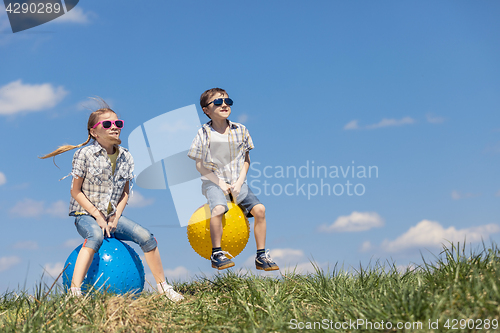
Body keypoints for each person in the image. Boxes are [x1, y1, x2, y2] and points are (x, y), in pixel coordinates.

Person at [40, 100, 183, 301]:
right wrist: (98, 216)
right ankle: (74, 292)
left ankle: (163, 287)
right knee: (96, 236)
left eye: (118, 123)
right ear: (94, 132)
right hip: (85, 214)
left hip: (112, 216)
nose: (114, 127)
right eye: (107, 124)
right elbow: (75, 191)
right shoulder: (84, 154)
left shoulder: (126, 156)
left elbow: (125, 192)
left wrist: (115, 216)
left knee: (146, 237)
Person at [188, 88, 279, 271]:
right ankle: (217, 253)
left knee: (260, 210)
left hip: (238, 184)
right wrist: (220, 184)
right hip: (214, 183)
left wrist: (238, 183)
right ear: (206, 110)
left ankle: (261, 256)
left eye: (227, 102)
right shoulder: (203, 134)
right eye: (218, 102)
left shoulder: (241, 130)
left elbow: (246, 160)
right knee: (219, 208)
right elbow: (199, 165)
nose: (224, 105)